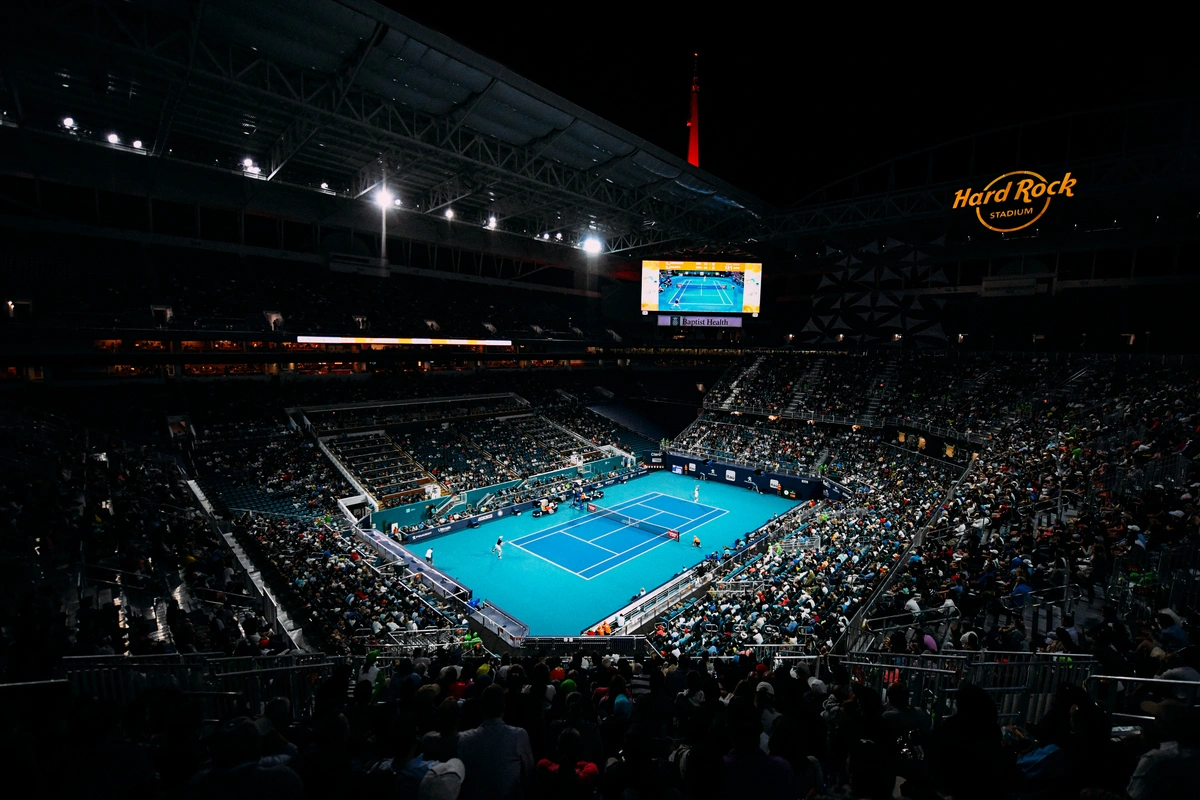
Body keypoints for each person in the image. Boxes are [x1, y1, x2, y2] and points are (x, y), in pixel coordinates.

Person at [458, 684, 534, 800]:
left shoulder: (464, 740)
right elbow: (529, 771)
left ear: (481, 709)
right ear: (503, 708)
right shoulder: (518, 736)